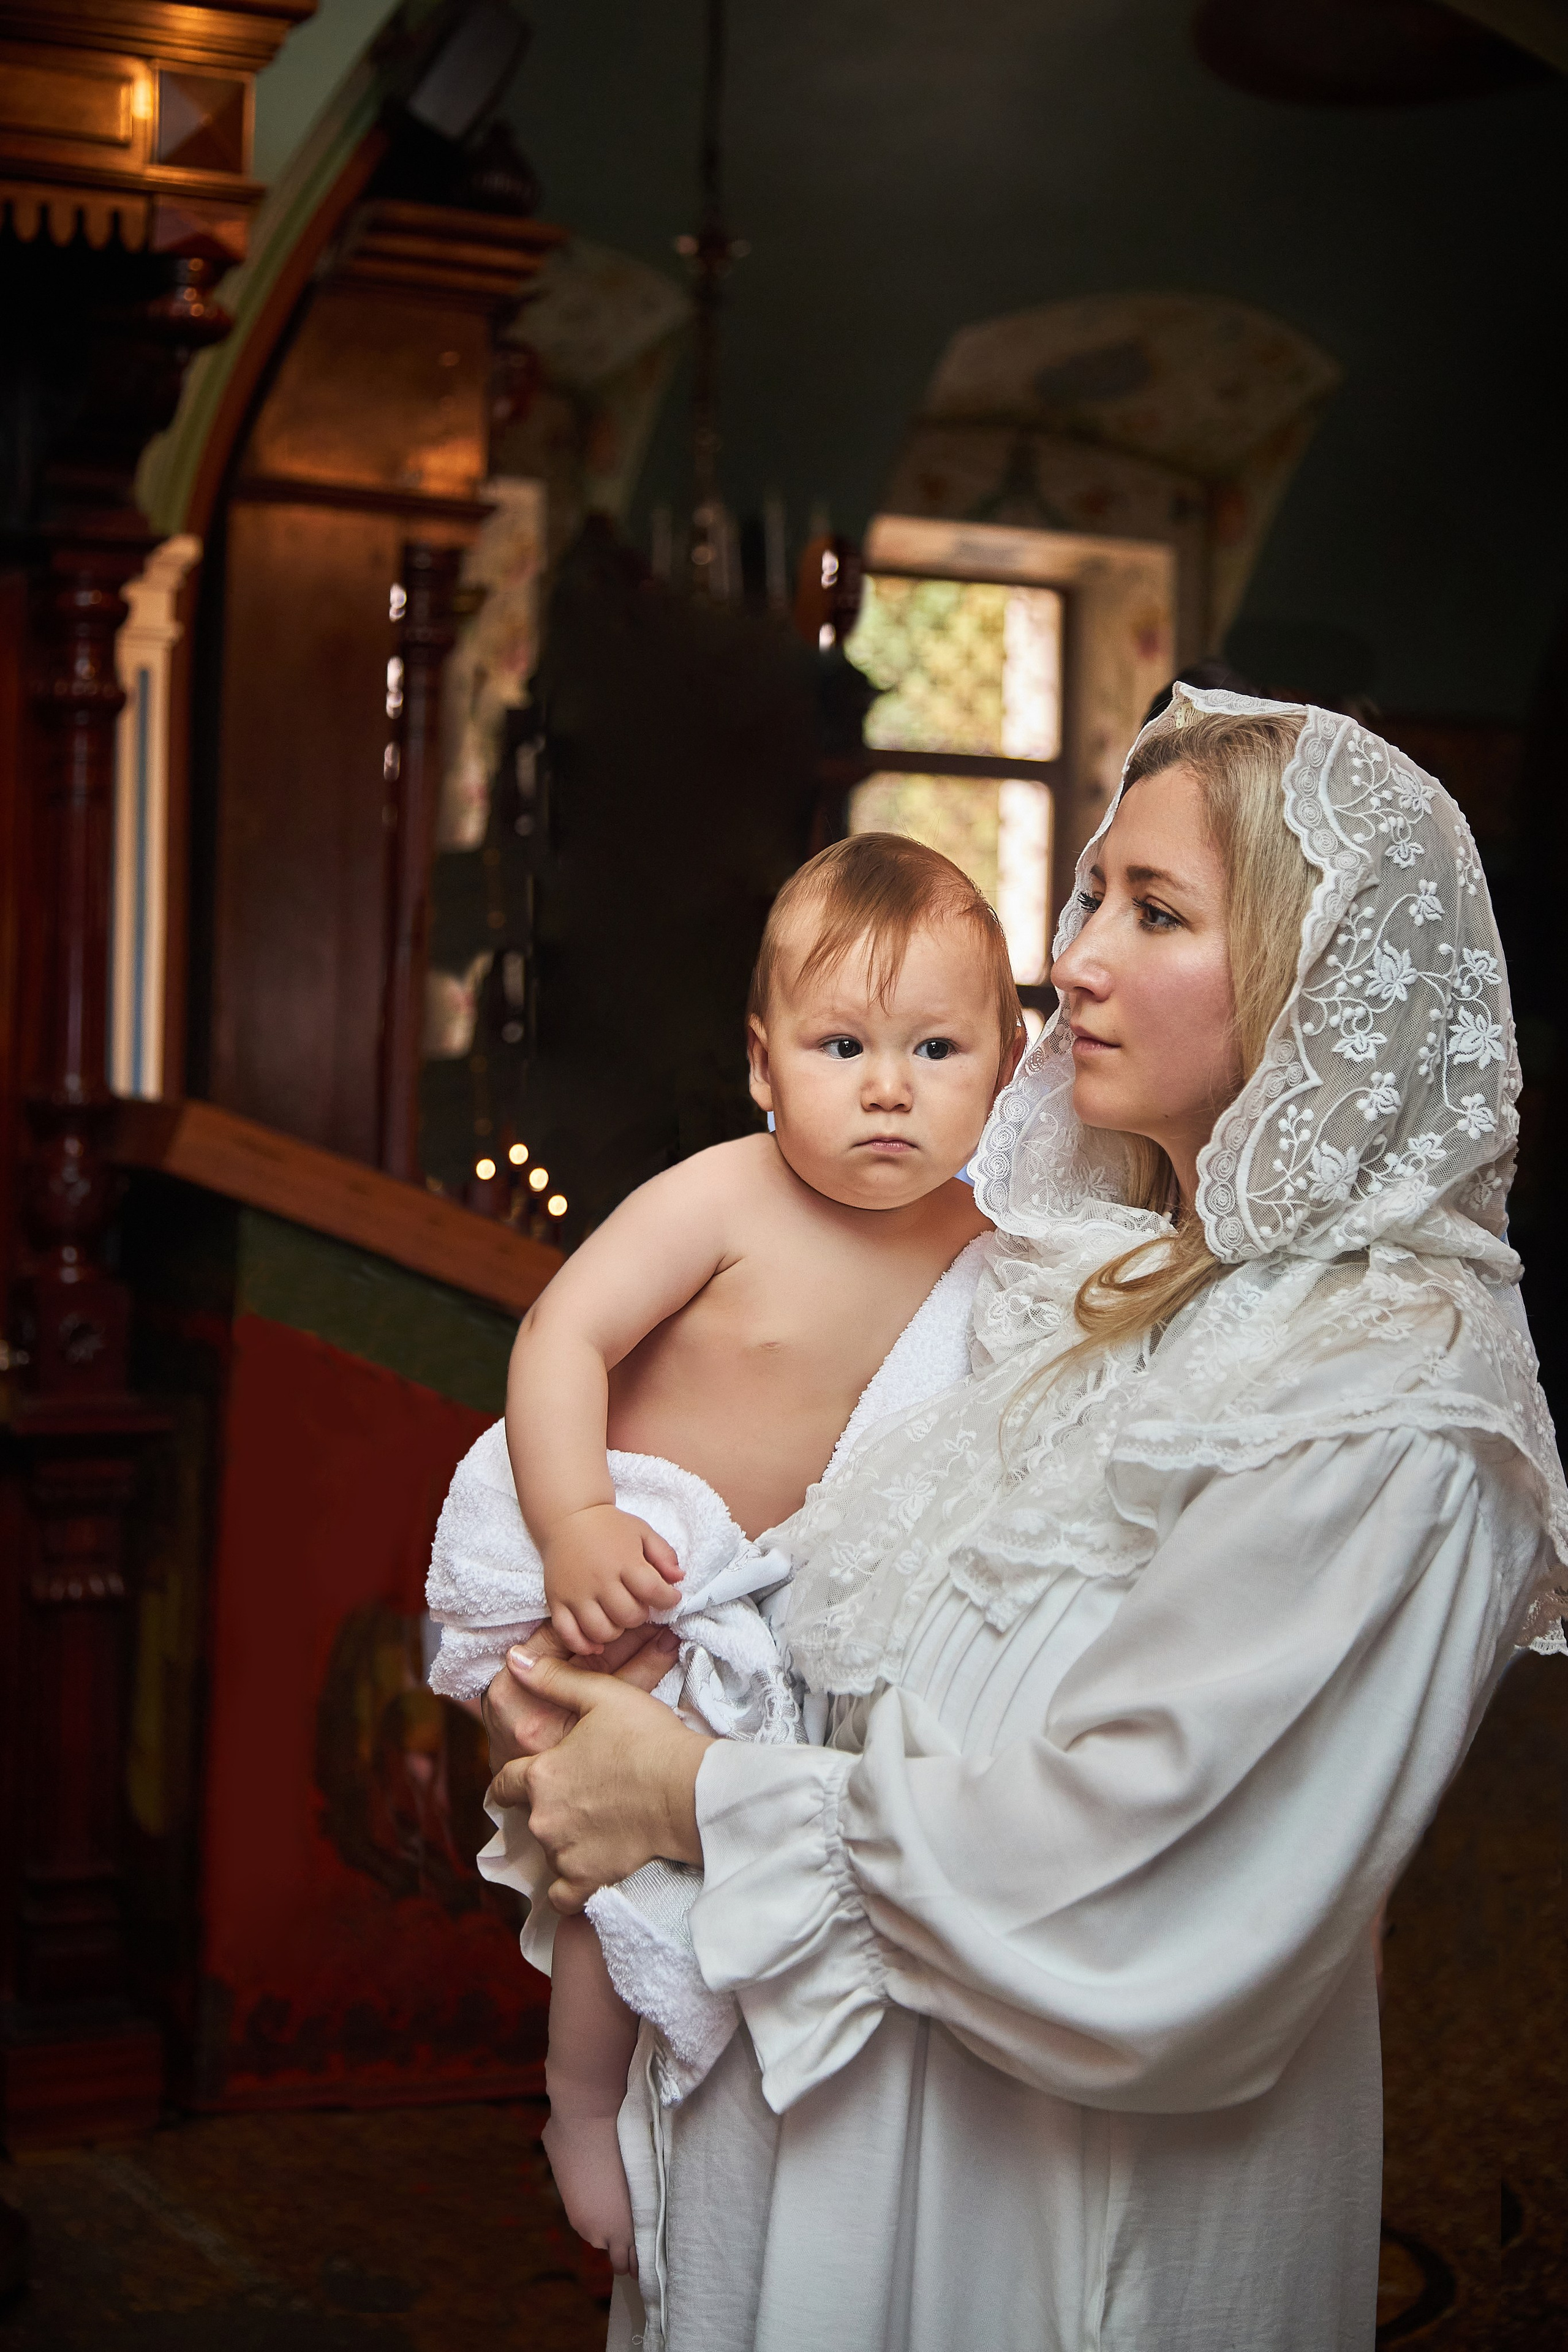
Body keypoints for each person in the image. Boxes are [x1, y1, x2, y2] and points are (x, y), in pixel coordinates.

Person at [486, 687, 1568, 2352]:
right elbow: (803, 1595)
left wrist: (701, 1796)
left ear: (1310, 968)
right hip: (807, 2130)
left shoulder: (1396, 1399)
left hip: (1038, 2215)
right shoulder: (1064, 1279)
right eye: (1089, 898)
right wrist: (597, 1695)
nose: (1075, 962)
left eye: (1156, 912)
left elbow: (1144, 1881)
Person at [428, 832, 1024, 2273]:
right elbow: (562, 1334)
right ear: (763, 1066)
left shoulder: (990, 1244)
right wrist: (574, 1520)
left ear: (1008, 1070)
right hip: (637, 1571)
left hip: (775, 1614)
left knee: (729, 1878)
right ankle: (575, 2100)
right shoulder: (722, 1195)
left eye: (936, 1047)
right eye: (840, 1045)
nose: (887, 1086)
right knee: (616, 1880)